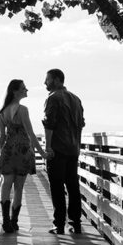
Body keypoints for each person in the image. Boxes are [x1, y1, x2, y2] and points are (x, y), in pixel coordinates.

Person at [0, 79, 49, 234]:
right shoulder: (23, 110)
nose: (27, 90)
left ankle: (6, 222)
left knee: (6, 184)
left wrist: (2, 154)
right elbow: (31, 135)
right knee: (18, 187)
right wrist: (43, 153)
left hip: (8, 151)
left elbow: (1, 137)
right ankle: (14, 221)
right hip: (23, 151)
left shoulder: (2, 112)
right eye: (24, 88)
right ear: (15, 91)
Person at [42, 68, 86, 234]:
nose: (45, 82)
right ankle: (75, 223)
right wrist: (78, 145)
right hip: (73, 148)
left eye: (48, 79)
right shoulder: (76, 99)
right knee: (73, 186)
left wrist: (48, 147)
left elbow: (49, 123)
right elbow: (81, 124)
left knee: (57, 186)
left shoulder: (53, 98)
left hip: (58, 148)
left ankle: (59, 224)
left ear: (57, 80)